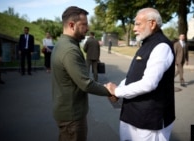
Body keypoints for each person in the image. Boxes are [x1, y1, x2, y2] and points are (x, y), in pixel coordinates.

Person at [105, 8, 175, 141]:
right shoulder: (147, 43)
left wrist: (118, 91)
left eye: (138, 24)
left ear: (152, 24)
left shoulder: (161, 46)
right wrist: (116, 91)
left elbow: (149, 84)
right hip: (131, 116)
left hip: (149, 121)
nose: (134, 29)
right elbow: (133, 75)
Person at [51, 6, 113, 141]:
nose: (88, 27)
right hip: (72, 116)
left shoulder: (63, 43)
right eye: (84, 24)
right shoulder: (70, 50)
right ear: (71, 25)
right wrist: (110, 91)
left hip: (66, 110)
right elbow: (86, 84)